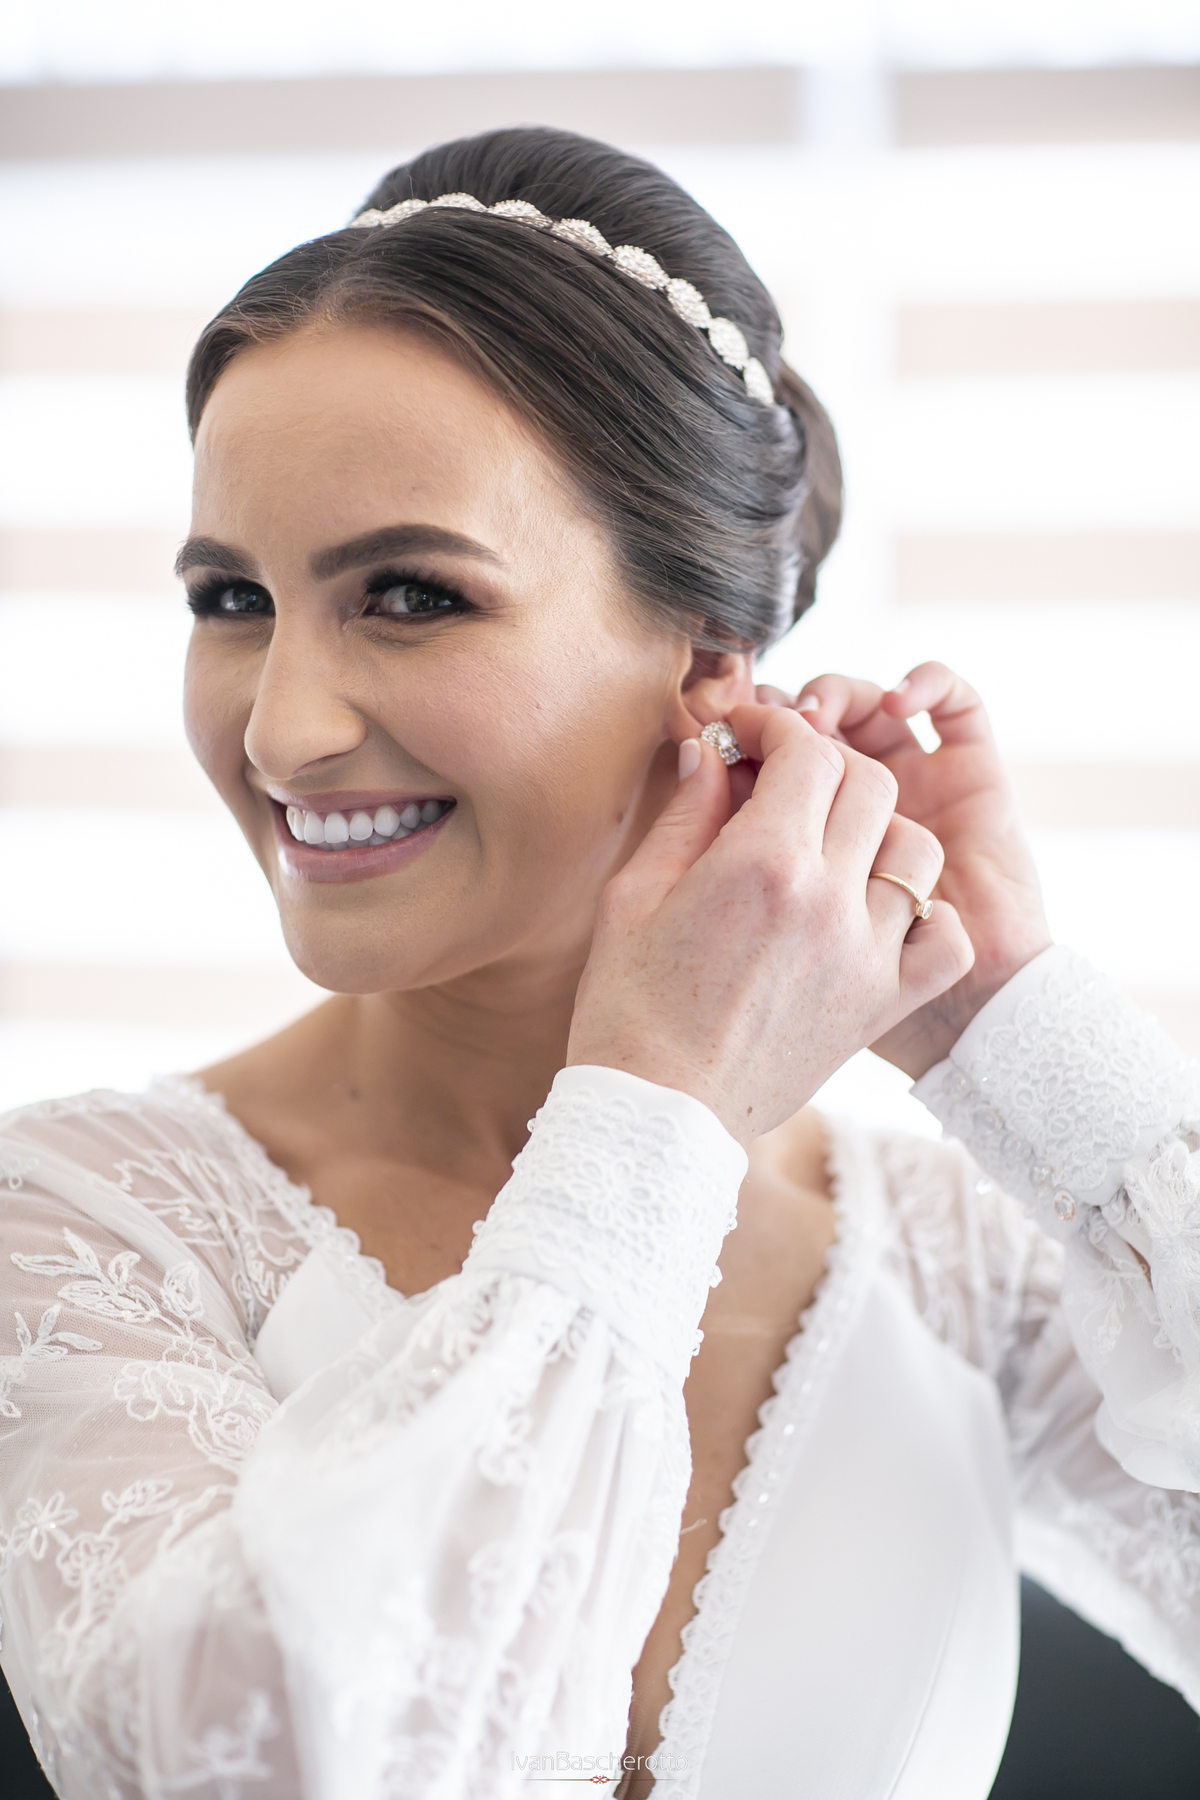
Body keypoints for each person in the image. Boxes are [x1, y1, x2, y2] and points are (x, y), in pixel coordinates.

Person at [0, 126, 1196, 1800]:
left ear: (709, 655)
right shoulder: (81, 1224)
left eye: (408, 595)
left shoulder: (948, 1263)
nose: (279, 731)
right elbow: (270, 1760)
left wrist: (1024, 1030)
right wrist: (654, 1109)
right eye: (231, 600)